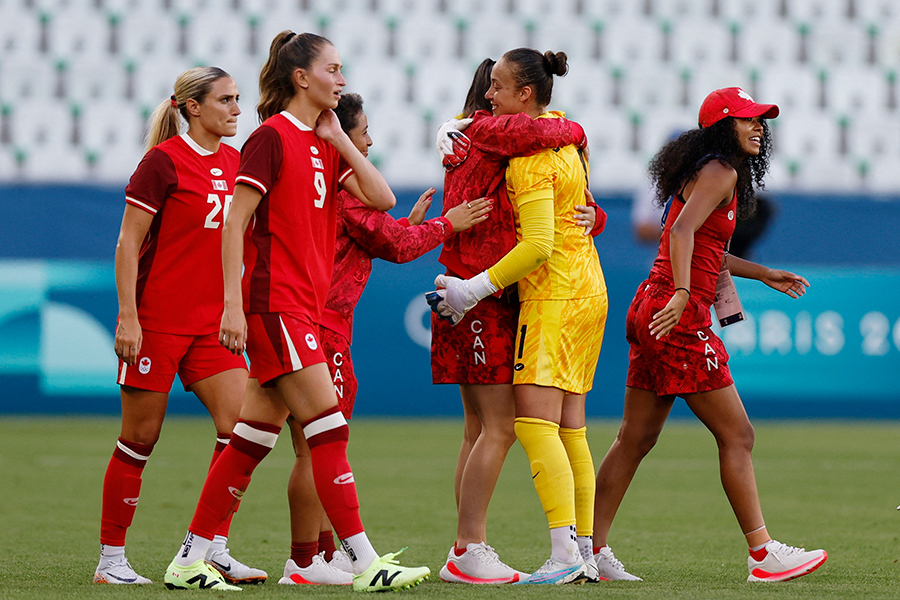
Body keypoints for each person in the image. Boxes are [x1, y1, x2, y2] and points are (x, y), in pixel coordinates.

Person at [163, 32, 430, 592]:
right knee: (328, 426)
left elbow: (381, 199)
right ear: (302, 78)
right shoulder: (270, 137)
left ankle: (189, 558)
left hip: (300, 310)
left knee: (250, 439)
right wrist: (233, 307)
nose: (342, 79)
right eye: (334, 69)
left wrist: (339, 138)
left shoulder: (322, 142)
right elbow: (235, 223)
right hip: (275, 305)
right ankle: (363, 559)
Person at [590, 87, 828, 583]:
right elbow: (680, 234)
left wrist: (761, 272)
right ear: (723, 126)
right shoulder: (722, 171)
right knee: (738, 434)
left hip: (652, 305)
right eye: (748, 119)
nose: (759, 127)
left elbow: (699, 244)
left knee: (634, 438)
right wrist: (681, 294)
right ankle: (763, 554)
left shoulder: (711, 171)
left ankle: (590, 551)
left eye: (762, 120)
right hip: (677, 313)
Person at [279, 92, 491, 586]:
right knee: (321, 447)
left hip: (298, 321)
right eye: (363, 131)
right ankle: (306, 561)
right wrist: (447, 224)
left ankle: (310, 556)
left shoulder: (321, 183)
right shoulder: (347, 188)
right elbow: (393, 245)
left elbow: (374, 238)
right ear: (340, 134)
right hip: (322, 328)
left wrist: (409, 227)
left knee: (289, 444)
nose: (370, 140)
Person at [428, 48, 607, 585]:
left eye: (498, 88)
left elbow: (555, 220)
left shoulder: (499, 137)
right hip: (496, 294)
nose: (489, 97)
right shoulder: (504, 136)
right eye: (487, 90)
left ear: (520, 94)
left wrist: (593, 212)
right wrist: (575, 133)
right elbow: (542, 145)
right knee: (510, 427)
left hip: (508, 291)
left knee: (495, 428)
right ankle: (475, 546)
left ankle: (495, 547)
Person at [94, 67, 266, 586]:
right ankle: (111, 561)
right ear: (192, 107)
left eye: (238, 99)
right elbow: (128, 243)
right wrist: (129, 316)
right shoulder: (162, 163)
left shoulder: (239, 163)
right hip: (158, 322)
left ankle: (212, 547)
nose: (237, 109)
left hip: (213, 325)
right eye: (226, 100)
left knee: (241, 430)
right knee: (139, 439)